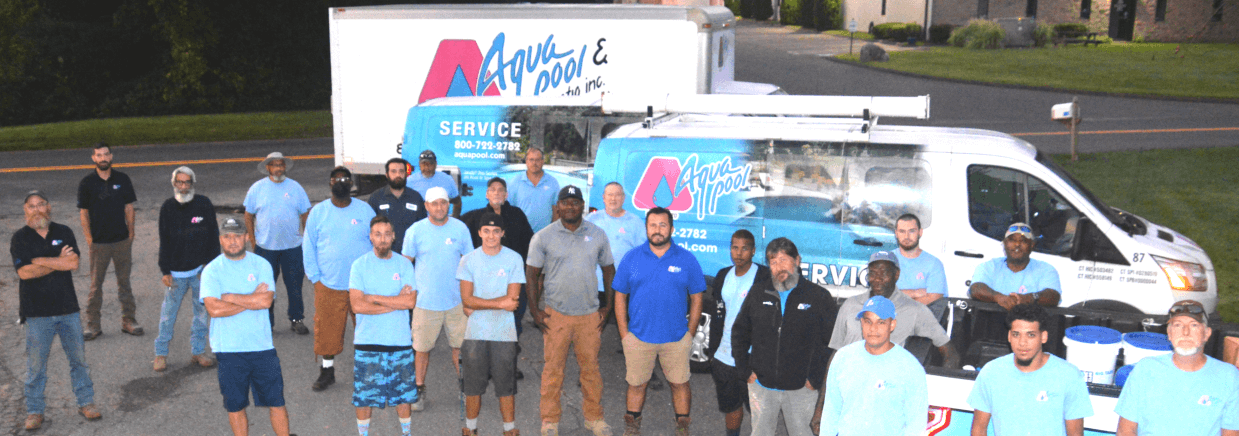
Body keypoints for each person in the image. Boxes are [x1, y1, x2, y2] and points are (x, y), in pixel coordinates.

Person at [526, 185, 615, 436]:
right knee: (553, 370)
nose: (570, 207)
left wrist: (607, 306)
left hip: (589, 315)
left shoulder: (597, 234)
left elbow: (609, 269)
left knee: (591, 370)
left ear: (582, 206)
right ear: (558, 207)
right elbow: (532, 275)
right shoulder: (543, 237)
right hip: (557, 315)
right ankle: (550, 420)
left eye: (575, 202)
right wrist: (535, 310)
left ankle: (594, 418)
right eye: (565, 202)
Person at [11, 191, 101, 431]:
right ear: (25, 211)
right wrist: (55, 261)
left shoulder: (64, 232)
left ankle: (86, 402)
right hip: (36, 313)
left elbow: (73, 263)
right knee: (36, 366)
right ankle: (34, 411)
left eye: (41, 204)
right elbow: (23, 273)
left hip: (67, 309)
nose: (38, 209)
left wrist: (38, 260)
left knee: (79, 361)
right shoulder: (19, 238)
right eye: (32, 206)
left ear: (49, 207)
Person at [613, 206, 706, 436]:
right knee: (636, 385)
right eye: (653, 225)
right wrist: (625, 335)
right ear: (646, 228)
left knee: (679, 384)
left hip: (676, 338)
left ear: (672, 229)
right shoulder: (631, 257)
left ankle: (682, 427)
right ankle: (632, 426)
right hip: (639, 337)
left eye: (663, 225)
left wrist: (689, 334)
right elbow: (619, 296)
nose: (657, 230)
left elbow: (697, 299)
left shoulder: (687, 259)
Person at [730, 237, 836, 436]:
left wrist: (815, 378)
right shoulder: (758, 292)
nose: (780, 267)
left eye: (784, 260)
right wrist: (744, 369)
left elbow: (830, 342)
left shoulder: (818, 296)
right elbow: (739, 332)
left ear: (797, 260)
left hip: (801, 389)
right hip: (761, 386)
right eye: (773, 262)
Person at [201, 217, 294, 436]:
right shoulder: (212, 271)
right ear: (220, 240)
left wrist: (231, 297)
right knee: (235, 406)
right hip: (228, 350)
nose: (232, 241)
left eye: (237, 236)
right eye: (227, 236)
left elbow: (265, 302)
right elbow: (214, 309)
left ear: (246, 237)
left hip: (261, 347)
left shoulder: (261, 264)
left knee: (277, 402)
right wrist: (251, 298)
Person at [1115, 300, 1239, 436]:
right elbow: (1125, 430)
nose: (1185, 332)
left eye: (1194, 325)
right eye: (1178, 325)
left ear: (1207, 334)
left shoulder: (1229, 376)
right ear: (1169, 334)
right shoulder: (1146, 369)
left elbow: (1231, 433)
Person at [968, 303, 1092, 436]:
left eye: (1030, 335)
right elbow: (979, 429)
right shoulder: (991, 372)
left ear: (1043, 337)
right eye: (1016, 334)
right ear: (1009, 336)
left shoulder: (1069, 376)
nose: (1022, 342)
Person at [304, 166, 376, 392]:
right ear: (330, 183)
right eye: (336, 178)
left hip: (361, 285)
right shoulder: (318, 212)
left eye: (345, 178)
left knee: (367, 330)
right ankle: (327, 372)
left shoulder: (365, 211)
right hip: (328, 283)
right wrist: (315, 278)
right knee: (327, 331)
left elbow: (377, 240)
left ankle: (368, 373)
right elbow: (308, 246)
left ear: (351, 184)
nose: (341, 181)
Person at [401, 186, 473, 411]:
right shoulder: (415, 230)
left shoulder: (460, 228)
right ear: (426, 206)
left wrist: (471, 296)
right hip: (425, 303)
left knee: (460, 349)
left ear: (448, 204)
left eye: (443, 202)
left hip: (456, 302)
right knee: (421, 349)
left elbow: (470, 262)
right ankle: (419, 389)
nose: (439, 207)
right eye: (434, 203)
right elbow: (405, 263)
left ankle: (465, 388)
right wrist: (407, 292)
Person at [348, 215, 419, 436]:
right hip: (368, 343)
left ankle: (406, 433)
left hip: (399, 342)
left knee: (404, 396)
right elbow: (357, 306)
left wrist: (373, 298)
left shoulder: (404, 264)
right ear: (370, 237)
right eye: (378, 234)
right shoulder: (359, 266)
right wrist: (393, 302)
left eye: (387, 234)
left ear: (394, 236)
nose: (383, 239)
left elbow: (409, 302)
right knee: (364, 397)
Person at [458, 213, 526, 436]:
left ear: (503, 233)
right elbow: (467, 300)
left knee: (506, 386)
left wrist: (480, 305)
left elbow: (513, 301)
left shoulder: (514, 259)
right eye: (486, 231)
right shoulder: (468, 259)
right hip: (475, 333)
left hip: (504, 334)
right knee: (472, 387)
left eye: (496, 231)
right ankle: (470, 429)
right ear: (479, 233)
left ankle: (509, 430)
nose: (491, 235)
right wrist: (499, 303)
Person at [819, 296, 928, 436]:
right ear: (862, 323)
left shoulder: (910, 367)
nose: (873, 328)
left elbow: (916, 425)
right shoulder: (843, 358)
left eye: (881, 322)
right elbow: (831, 411)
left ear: (892, 325)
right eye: (868, 321)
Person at [829, 251, 958, 369]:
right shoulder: (850, 305)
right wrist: (823, 394)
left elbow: (951, 353)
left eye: (883, 273)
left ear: (896, 275)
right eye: (872, 273)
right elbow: (835, 353)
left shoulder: (914, 310)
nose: (877, 279)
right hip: (847, 383)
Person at [460, 177, 535, 379]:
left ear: (506, 194)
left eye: (500, 190)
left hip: (513, 281)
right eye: (492, 190)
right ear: (487, 194)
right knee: (484, 324)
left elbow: (530, 244)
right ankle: (482, 367)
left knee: (513, 324)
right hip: (485, 282)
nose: (496, 193)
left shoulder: (517, 215)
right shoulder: (474, 218)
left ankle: (507, 365)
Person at [154, 166, 219, 372]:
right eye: (179, 182)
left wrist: (211, 265)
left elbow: (213, 235)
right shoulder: (167, 208)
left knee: (201, 314)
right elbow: (164, 240)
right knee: (168, 315)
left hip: (200, 271)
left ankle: (198, 351)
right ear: (174, 184)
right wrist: (165, 270)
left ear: (192, 184)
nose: (183, 187)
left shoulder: (204, 204)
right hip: (176, 274)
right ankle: (160, 354)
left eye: (187, 182)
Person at [707, 230, 770, 436]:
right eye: (735, 247)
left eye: (744, 248)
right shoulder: (723, 275)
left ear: (753, 251)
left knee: (759, 411)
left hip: (752, 358)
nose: (739, 253)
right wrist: (714, 352)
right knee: (732, 408)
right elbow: (718, 314)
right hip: (724, 357)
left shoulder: (764, 276)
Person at [244, 151, 313, 334]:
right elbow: (248, 215)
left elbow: (305, 214)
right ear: (268, 168)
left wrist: (306, 239)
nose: (279, 168)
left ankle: (297, 319)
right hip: (266, 248)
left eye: (281, 164)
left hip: (293, 247)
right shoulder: (257, 188)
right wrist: (253, 240)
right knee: (266, 287)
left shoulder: (295, 187)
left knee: (295, 286)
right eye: (274, 165)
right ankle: (267, 322)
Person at [77, 142, 141, 339]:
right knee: (96, 286)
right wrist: (89, 239)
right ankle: (92, 325)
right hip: (99, 243)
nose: (103, 158)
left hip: (121, 241)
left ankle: (128, 321)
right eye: (99, 155)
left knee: (125, 284)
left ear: (111, 157)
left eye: (106, 154)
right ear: (93, 158)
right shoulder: (87, 183)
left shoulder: (122, 179)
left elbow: (129, 208)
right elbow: (84, 213)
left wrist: (131, 233)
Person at [969, 222, 1062, 309]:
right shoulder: (989, 266)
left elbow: (1053, 296)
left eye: (1023, 241)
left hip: (1028, 323)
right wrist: (999, 297)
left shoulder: (1046, 269)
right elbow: (976, 289)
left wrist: (1029, 298)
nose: (1017, 244)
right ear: (1004, 244)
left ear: (1032, 245)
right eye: (1012, 240)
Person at [585, 182, 645, 315]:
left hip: (623, 287)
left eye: (617, 195)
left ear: (623, 198)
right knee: (591, 329)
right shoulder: (591, 220)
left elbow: (643, 257)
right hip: (595, 287)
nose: (613, 199)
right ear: (603, 197)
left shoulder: (635, 223)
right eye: (610, 195)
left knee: (623, 327)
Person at [893, 214, 949, 320]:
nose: (906, 236)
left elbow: (934, 298)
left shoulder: (934, 263)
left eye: (912, 231)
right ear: (896, 233)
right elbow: (881, 294)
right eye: (902, 231)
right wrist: (915, 293)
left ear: (920, 232)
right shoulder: (887, 261)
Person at [367, 157, 427, 255]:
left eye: (401, 171)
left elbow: (423, 227)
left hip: (410, 256)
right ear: (387, 175)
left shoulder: (416, 198)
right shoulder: (376, 198)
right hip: (383, 255)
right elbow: (369, 228)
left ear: (406, 174)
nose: (398, 175)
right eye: (393, 171)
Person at [508, 148, 559, 232]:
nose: (534, 163)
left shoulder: (553, 182)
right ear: (526, 162)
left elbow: (556, 211)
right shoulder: (515, 181)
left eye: (537, 160)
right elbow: (509, 209)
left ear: (542, 161)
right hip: (520, 235)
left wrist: (553, 232)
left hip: (544, 236)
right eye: (531, 160)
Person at [406, 150, 462, 218]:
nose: (427, 168)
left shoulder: (447, 179)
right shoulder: (409, 181)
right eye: (424, 164)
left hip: (439, 223)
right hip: (417, 223)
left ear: (436, 164)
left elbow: (457, 202)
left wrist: (454, 219)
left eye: (430, 164)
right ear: (419, 164)